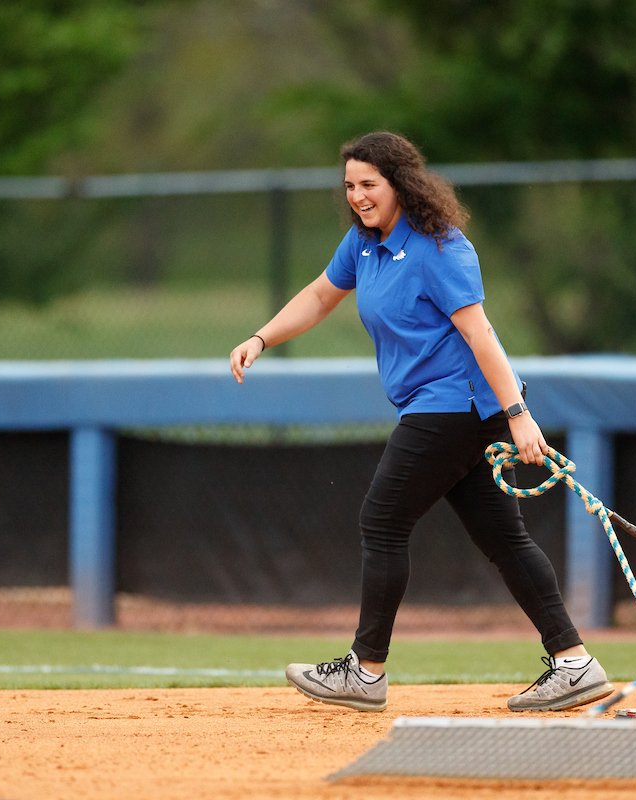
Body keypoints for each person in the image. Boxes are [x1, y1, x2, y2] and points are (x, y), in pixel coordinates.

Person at [229, 131, 612, 713]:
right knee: (504, 539)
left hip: (454, 406)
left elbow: (481, 334)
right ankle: (574, 663)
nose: (357, 196)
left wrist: (519, 415)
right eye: (350, 186)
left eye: (369, 184)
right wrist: (261, 337)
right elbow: (318, 296)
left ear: (401, 183)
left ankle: (366, 670)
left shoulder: (441, 247)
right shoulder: (363, 244)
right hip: (448, 409)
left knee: (381, 520)